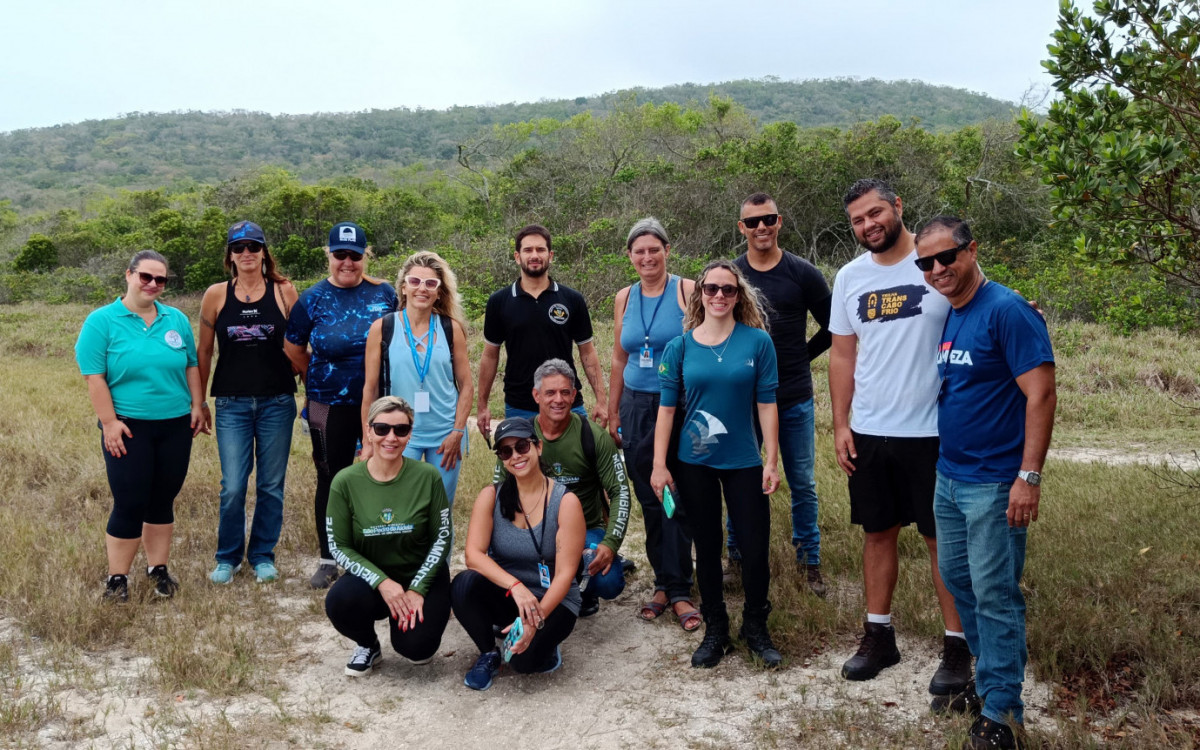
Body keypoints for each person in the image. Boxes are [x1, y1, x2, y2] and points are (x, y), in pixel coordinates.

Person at [917, 216, 1056, 750]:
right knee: (958, 579)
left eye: (946, 257)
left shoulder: (1007, 310)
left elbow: (1040, 395)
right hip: (949, 476)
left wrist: (1028, 476)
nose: (936, 269)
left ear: (972, 250)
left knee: (996, 594)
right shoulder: (954, 312)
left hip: (996, 482)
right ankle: (992, 673)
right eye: (925, 262)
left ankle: (1003, 712)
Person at [828, 179, 970, 701]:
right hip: (870, 428)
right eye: (858, 220)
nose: (869, 225)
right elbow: (843, 354)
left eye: (875, 213)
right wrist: (841, 423)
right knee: (877, 532)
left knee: (942, 542)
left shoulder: (936, 261)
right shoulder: (849, 278)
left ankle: (957, 645)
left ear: (898, 208)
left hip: (935, 430)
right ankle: (878, 634)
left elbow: (980, 303)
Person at [651, 260, 782, 669]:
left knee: (755, 547)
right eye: (711, 289)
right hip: (696, 462)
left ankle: (756, 626)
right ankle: (716, 628)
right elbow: (667, 411)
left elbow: (767, 403)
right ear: (700, 294)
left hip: (744, 460)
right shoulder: (681, 347)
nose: (720, 296)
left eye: (728, 289)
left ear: (738, 295)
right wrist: (659, 464)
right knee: (706, 548)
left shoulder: (758, 342)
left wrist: (771, 459)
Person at [75, 250, 207, 601]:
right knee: (130, 500)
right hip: (129, 427)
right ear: (129, 275)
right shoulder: (101, 321)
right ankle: (117, 579)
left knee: (164, 497)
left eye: (160, 280)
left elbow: (191, 365)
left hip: (176, 424)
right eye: (145, 277)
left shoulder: (175, 319)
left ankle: (158, 569)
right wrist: (109, 423)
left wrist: (197, 405)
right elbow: (95, 378)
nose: (152, 284)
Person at [285, 222, 398, 589]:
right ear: (328, 255)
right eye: (340, 255)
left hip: (379, 404)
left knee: (381, 475)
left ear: (366, 256)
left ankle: (376, 551)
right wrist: (316, 377)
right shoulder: (312, 299)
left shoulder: (385, 293)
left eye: (355, 255)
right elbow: (293, 347)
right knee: (330, 478)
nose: (347, 262)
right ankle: (328, 556)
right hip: (326, 405)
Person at [732, 193, 833, 596]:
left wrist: (799, 358)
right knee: (740, 477)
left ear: (779, 221)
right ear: (741, 228)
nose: (761, 227)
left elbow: (832, 327)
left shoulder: (803, 273)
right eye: (753, 221)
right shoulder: (731, 275)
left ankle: (810, 561)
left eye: (768, 219)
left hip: (793, 394)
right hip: (742, 397)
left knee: (802, 481)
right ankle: (735, 555)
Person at [606, 217, 699, 630]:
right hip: (635, 406)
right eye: (639, 251)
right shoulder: (624, 296)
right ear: (630, 256)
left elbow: (704, 347)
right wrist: (611, 410)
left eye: (654, 249)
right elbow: (618, 357)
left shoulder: (687, 290)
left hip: (677, 405)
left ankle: (679, 589)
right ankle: (663, 582)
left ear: (666, 251)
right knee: (648, 496)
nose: (647, 257)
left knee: (675, 495)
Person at [197, 221, 299, 585]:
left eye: (253, 247)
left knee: (271, 484)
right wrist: (200, 402)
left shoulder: (284, 291)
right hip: (231, 403)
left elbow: (300, 343)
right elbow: (204, 351)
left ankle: (262, 555)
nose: (246, 254)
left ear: (263, 252)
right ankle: (228, 558)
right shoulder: (216, 295)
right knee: (234, 485)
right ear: (230, 255)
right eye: (238, 248)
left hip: (277, 401)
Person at [452, 418, 586, 690]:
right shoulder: (492, 496)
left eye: (522, 446)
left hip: (553, 600)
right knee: (463, 583)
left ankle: (544, 644)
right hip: (512, 594)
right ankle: (489, 652)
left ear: (538, 447)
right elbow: (473, 555)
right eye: (506, 451)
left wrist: (536, 621)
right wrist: (516, 586)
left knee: (524, 665)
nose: (516, 456)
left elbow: (564, 576)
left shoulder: (565, 502)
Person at [324, 396, 452, 677]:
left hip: (422, 575)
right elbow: (339, 545)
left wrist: (418, 588)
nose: (391, 437)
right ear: (368, 431)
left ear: (409, 435)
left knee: (417, 648)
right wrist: (382, 582)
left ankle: (407, 625)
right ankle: (368, 645)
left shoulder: (428, 476)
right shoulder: (345, 482)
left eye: (401, 430)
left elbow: (442, 538)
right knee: (340, 601)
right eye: (382, 429)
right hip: (374, 579)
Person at [493, 359, 630, 618]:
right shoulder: (519, 439)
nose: (558, 399)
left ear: (574, 395)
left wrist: (611, 543)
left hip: (585, 530)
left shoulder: (593, 437)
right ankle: (531, 592)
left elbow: (620, 491)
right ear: (536, 395)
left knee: (608, 581)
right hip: (531, 528)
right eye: (550, 393)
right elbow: (499, 491)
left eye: (565, 392)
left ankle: (583, 591)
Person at [476, 224, 608, 441]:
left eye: (540, 250)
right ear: (517, 257)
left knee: (579, 469)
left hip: (566, 403)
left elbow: (587, 352)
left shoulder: (571, 299)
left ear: (551, 255)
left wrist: (601, 402)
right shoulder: (499, 302)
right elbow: (490, 355)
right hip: (519, 405)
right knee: (522, 469)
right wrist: (482, 406)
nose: (534, 255)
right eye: (528, 250)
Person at [362, 251, 473, 505]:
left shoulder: (450, 328)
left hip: (445, 434)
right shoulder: (383, 327)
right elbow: (370, 390)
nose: (422, 289)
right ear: (403, 288)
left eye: (430, 283)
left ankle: (440, 547)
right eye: (415, 281)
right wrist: (369, 440)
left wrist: (457, 431)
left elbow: (467, 386)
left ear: (439, 291)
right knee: (402, 506)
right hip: (398, 432)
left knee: (440, 508)